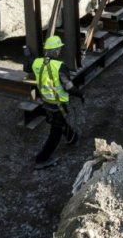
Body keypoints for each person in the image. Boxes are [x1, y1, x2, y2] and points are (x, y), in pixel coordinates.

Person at [31, 35, 78, 170]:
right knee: (55, 132)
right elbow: (69, 87)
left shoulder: (36, 63)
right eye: (59, 49)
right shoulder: (60, 66)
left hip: (46, 102)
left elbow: (28, 66)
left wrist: (27, 54)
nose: (60, 52)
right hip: (57, 104)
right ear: (56, 51)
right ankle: (41, 159)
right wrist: (79, 94)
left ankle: (71, 137)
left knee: (59, 122)